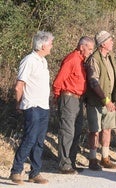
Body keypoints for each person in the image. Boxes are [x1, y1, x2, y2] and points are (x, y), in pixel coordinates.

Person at [10, 31, 54, 184]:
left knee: (39, 141)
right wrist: (19, 103)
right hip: (32, 105)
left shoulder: (43, 61)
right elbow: (19, 86)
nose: (51, 47)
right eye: (50, 44)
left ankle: (35, 173)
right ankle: (16, 171)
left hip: (43, 106)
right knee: (29, 138)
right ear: (42, 45)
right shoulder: (29, 60)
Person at [52, 36, 95, 174]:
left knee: (76, 131)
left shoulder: (82, 61)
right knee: (67, 131)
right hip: (69, 98)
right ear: (82, 47)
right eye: (89, 48)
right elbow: (58, 80)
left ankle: (71, 162)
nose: (90, 51)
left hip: (78, 100)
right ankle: (64, 164)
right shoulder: (72, 59)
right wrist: (58, 97)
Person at [85, 30, 116, 171]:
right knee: (94, 131)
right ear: (103, 43)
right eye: (110, 40)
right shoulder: (94, 59)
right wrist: (106, 100)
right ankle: (92, 159)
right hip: (97, 102)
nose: (112, 42)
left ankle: (105, 157)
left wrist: (112, 100)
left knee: (107, 129)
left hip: (109, 101)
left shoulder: (109, 57)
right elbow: (93, 82)